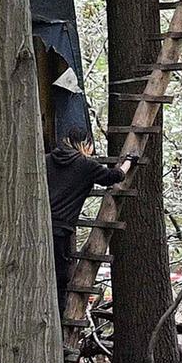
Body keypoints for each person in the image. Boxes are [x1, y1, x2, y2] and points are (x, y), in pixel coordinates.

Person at [45, 125, 132, 301]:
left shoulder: (46, 160)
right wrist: (129, 162)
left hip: (40, 225)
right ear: (84, 144)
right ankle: (59, 321)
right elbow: (113, 176)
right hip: (61, 229)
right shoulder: (85, 165)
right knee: (60, 278)